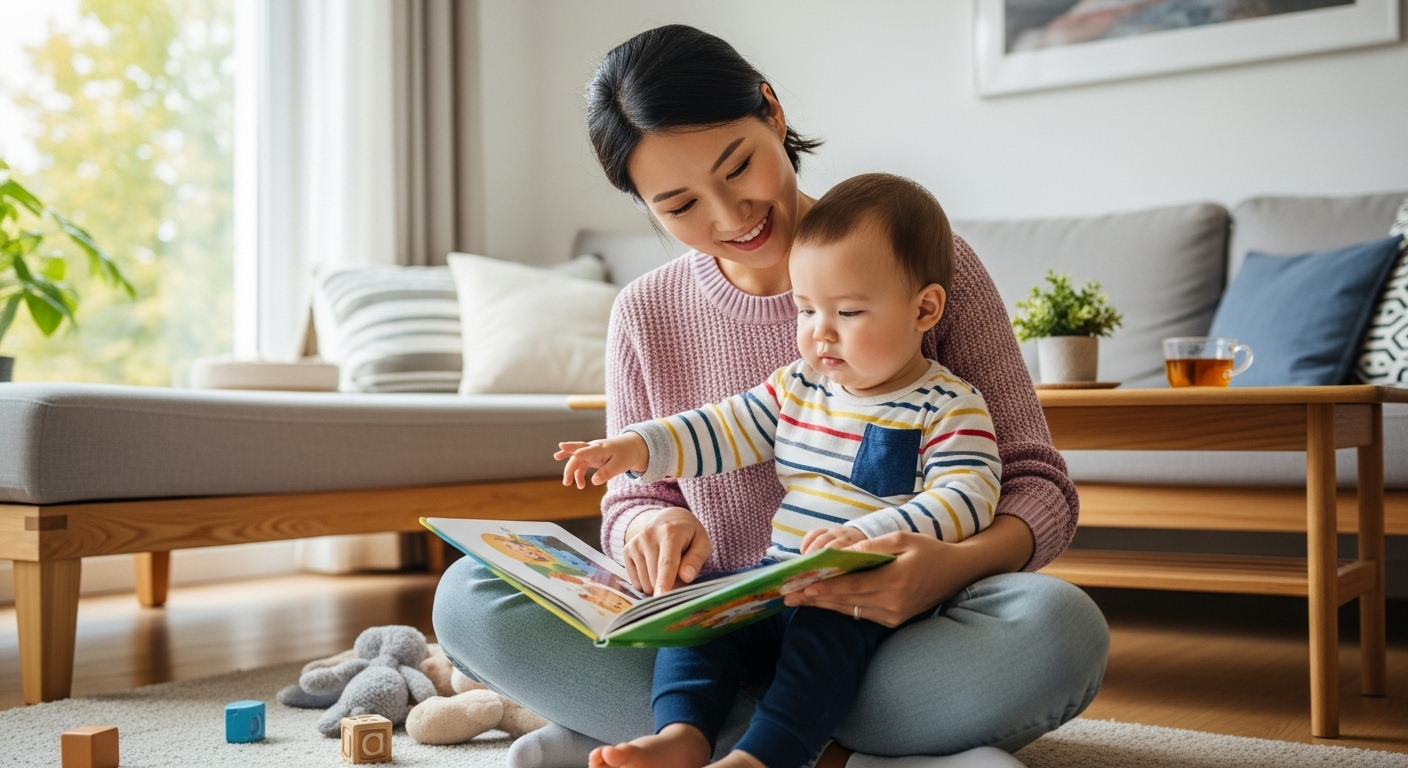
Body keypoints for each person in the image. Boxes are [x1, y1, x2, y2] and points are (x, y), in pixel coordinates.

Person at [432, 23, 1109, 768]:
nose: (730, 217)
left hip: (885, 632)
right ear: (646, 207)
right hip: (715, 625)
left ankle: (715, 737)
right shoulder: (646, 313)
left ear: (772, 113)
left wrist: (945, 569)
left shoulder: (924, 267)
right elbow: (639, 494)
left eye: (738, 167)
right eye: (680, 204)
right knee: (468, 596)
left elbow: (1034, 483)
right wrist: (648, 531)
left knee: (1059, 627)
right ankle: (817, 746)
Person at [555, 173, 1002, 768]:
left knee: (826, 639)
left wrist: (869, 538)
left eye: (847, 311)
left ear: (924, 309)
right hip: (775, 580)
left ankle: (765, 755)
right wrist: (636, 448)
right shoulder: (801, 385)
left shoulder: (949, 405)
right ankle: (683, 737)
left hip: (865, 600)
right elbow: (722, 427)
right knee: (701, 618)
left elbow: (968, 495)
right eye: (806, 308)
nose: (820, 333)